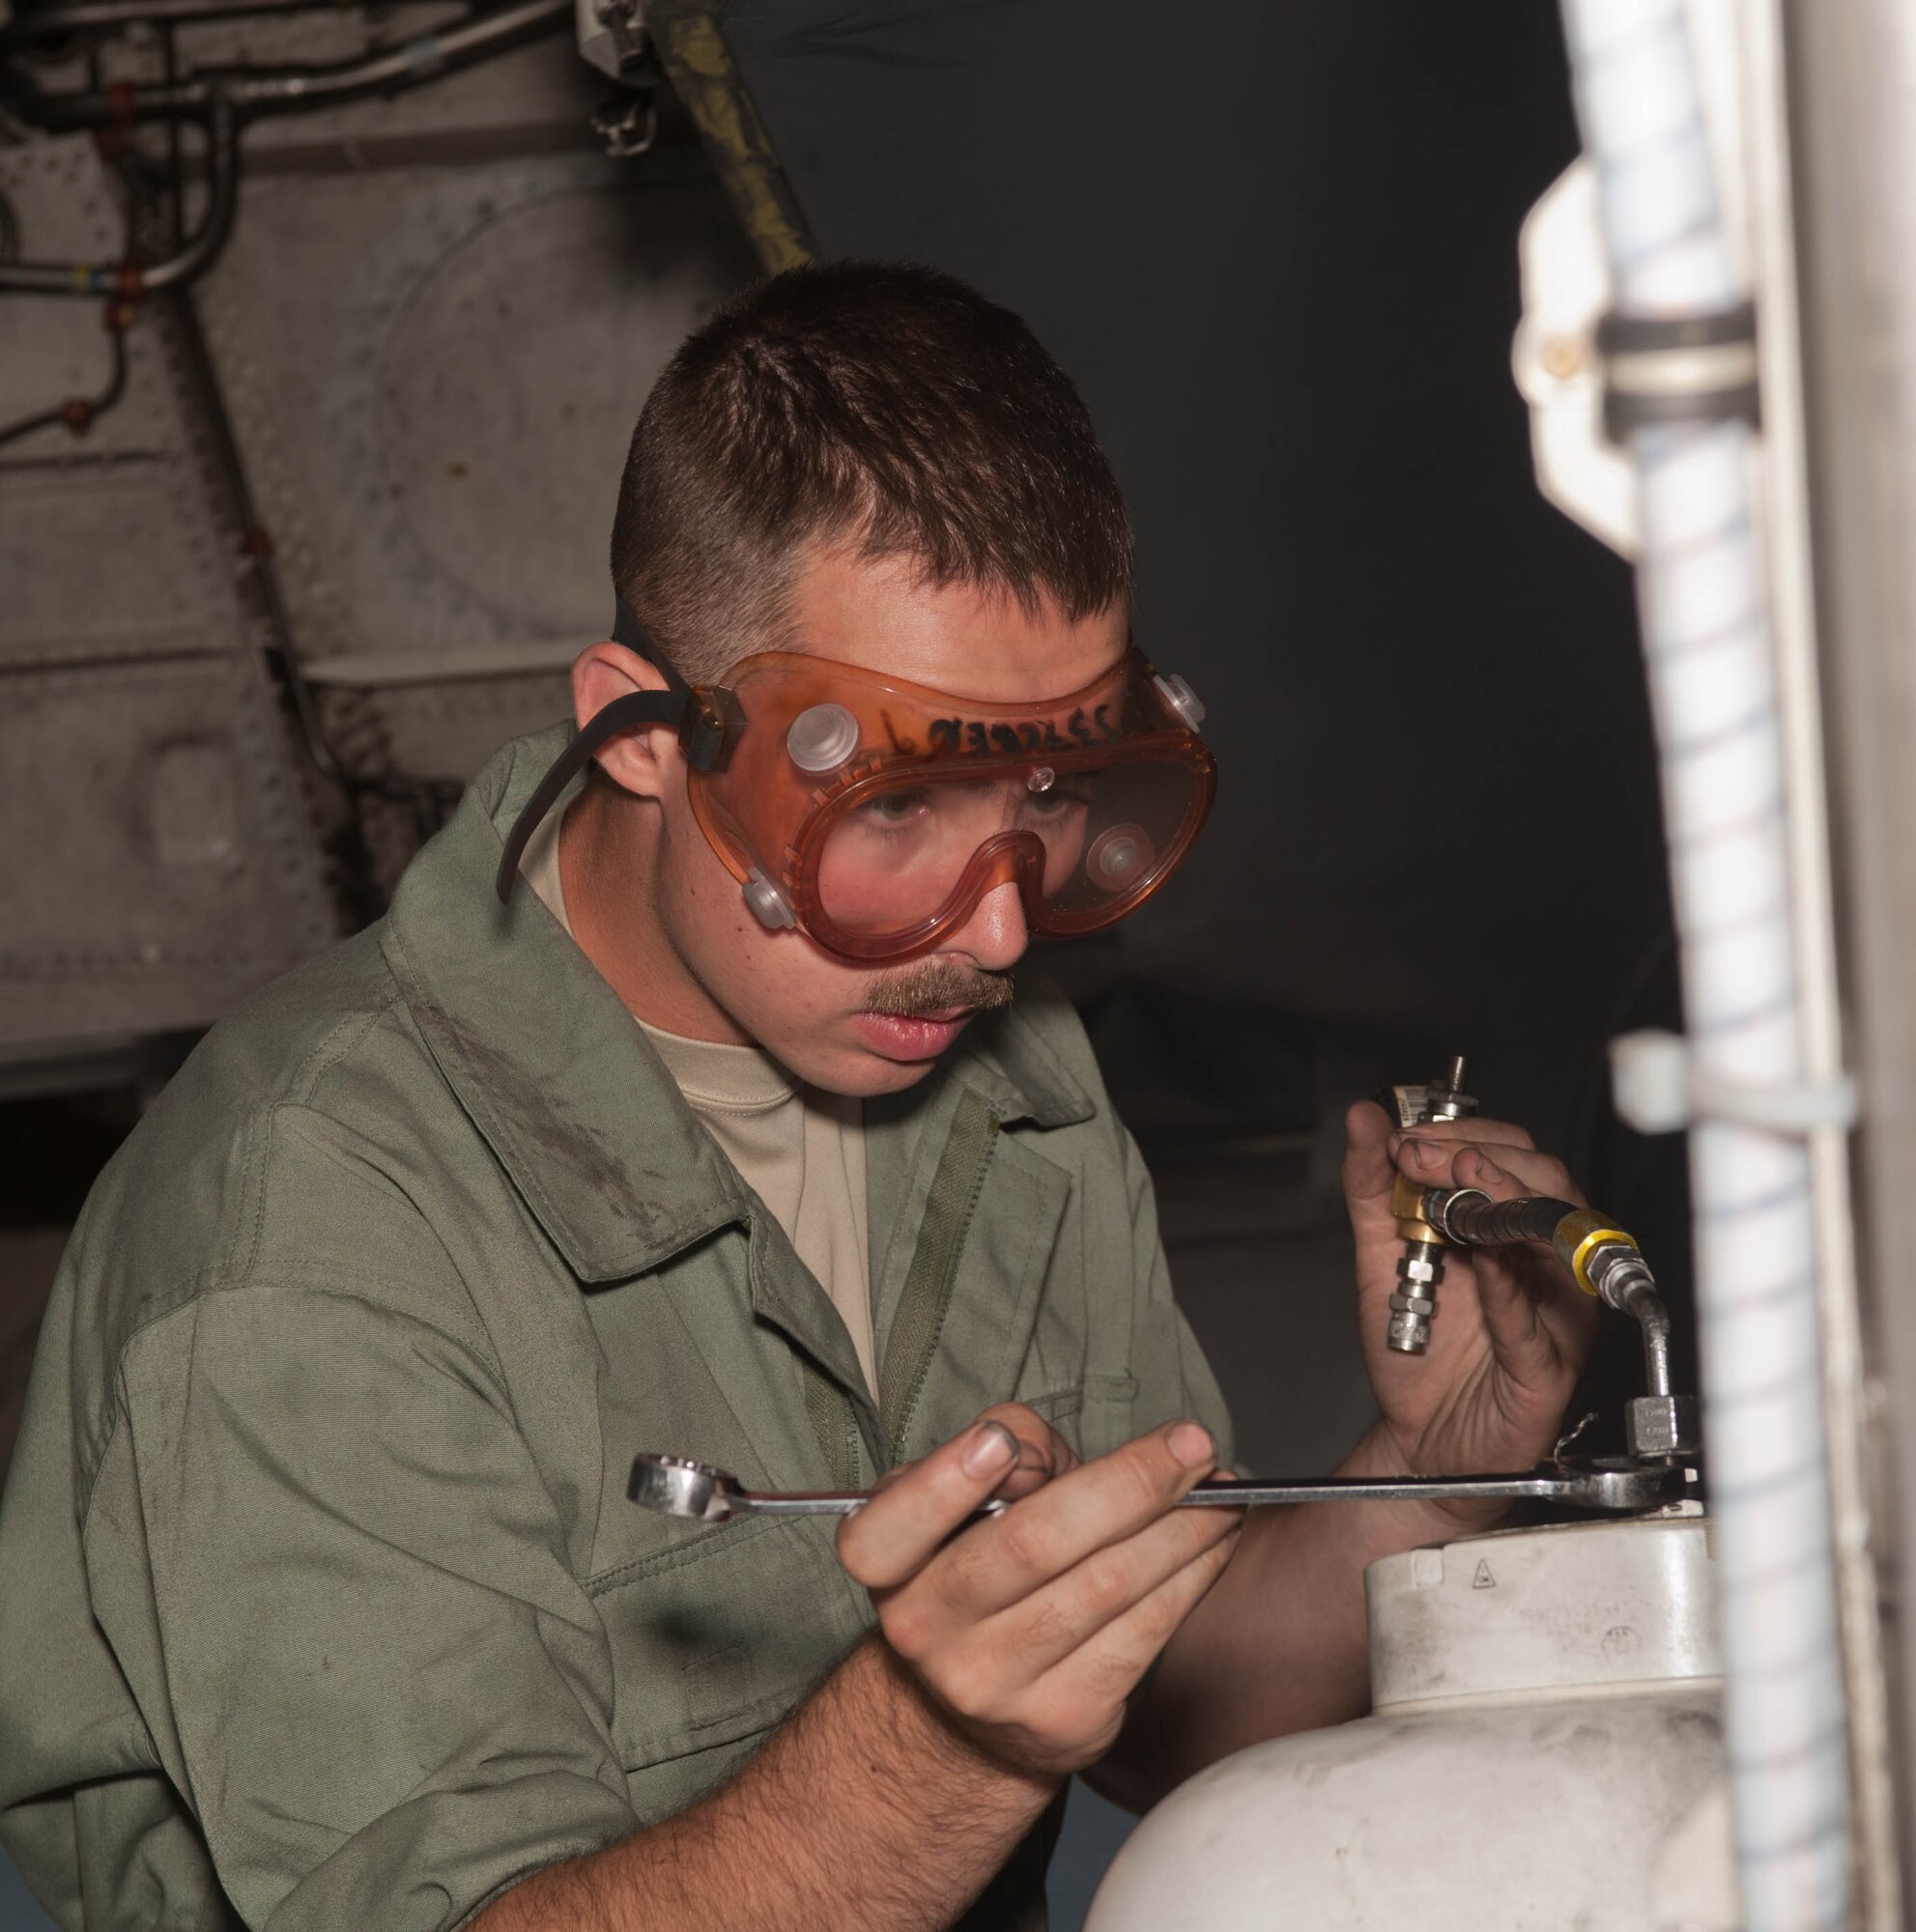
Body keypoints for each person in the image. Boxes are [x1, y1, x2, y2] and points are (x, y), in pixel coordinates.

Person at [0, 262, 1600, 1932]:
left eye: (1050, 796)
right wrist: (937, 1751)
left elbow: (1167, 1701)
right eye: (898, 809)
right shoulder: (305, 1229)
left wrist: (1426, 1472)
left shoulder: (1012, 1088)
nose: (993, 929)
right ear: (637, 732)